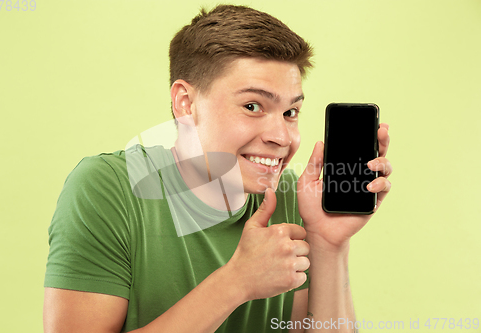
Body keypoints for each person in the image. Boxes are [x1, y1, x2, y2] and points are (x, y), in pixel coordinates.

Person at [43, 4, 392, 333]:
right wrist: (236, 282)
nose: (281, 136)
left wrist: (328, 243)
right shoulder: (109, 188)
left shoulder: (290, 198)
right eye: (253, 105)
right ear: (186, 103)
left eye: (290, 112)